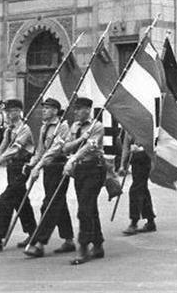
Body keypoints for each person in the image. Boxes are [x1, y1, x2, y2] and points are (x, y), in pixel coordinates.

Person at [0, 99, 37, 251]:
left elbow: (14, 150)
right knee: (20, 201)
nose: (8, 115)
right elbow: (0, 149)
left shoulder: (24, 129)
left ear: (18, 112)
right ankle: (33, 233)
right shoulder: (9, 130)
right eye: (7, 112)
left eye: (11, 112)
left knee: (5, 200)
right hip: (12, 168)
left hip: (22, 167)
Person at [23, 98, 75, 258]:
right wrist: (32, 163)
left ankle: (39, 243)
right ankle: (69, 240)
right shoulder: (44, 127)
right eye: (43, 108)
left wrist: (38, 166)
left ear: (54, 110)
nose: (43, 111)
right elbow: (40, 150)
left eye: (47, 108)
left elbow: (54, 150)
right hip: (48, 169)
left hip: (59, 167)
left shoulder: (63, 127)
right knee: (58, 203)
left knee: (49, 204)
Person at [61, 97, 106, 265]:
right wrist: (80, 139)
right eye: (75, 109)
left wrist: (73, 158)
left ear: (88, 110)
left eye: (79, 109)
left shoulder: (97, 127)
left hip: (94, 169)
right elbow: (66, 147)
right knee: (90, 207)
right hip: (79, 171)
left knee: (84, 209)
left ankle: (84, 247)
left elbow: (90, 147)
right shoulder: (74, 127)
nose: (76, 112)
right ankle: (98, 243)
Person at [120, 131, 156, 235]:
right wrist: (122, 164)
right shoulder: (128, 129)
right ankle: (150, 221)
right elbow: (126, 147)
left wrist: (140, 149)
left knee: (135, 190)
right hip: (135, 162)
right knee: (142, 190)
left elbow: (152, 147)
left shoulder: (143, 126)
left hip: (145, 161)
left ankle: (134, 222)